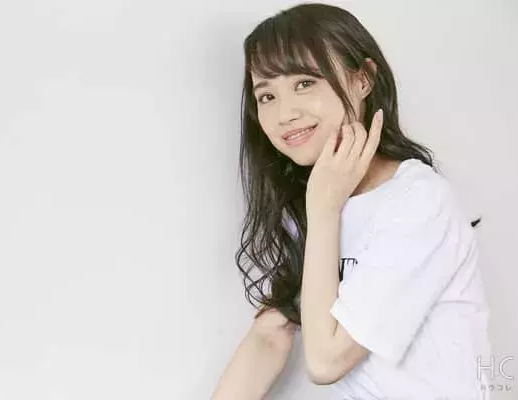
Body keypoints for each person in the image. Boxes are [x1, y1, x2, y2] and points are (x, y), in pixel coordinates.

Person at [211, 3, 492, 400]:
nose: (284, 113)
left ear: (363, 79)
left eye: (304, 83)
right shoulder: (311, 201)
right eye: (267, 95)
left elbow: (326, 362)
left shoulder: (417, 200)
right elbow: (271, 334)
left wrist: (324, 210)